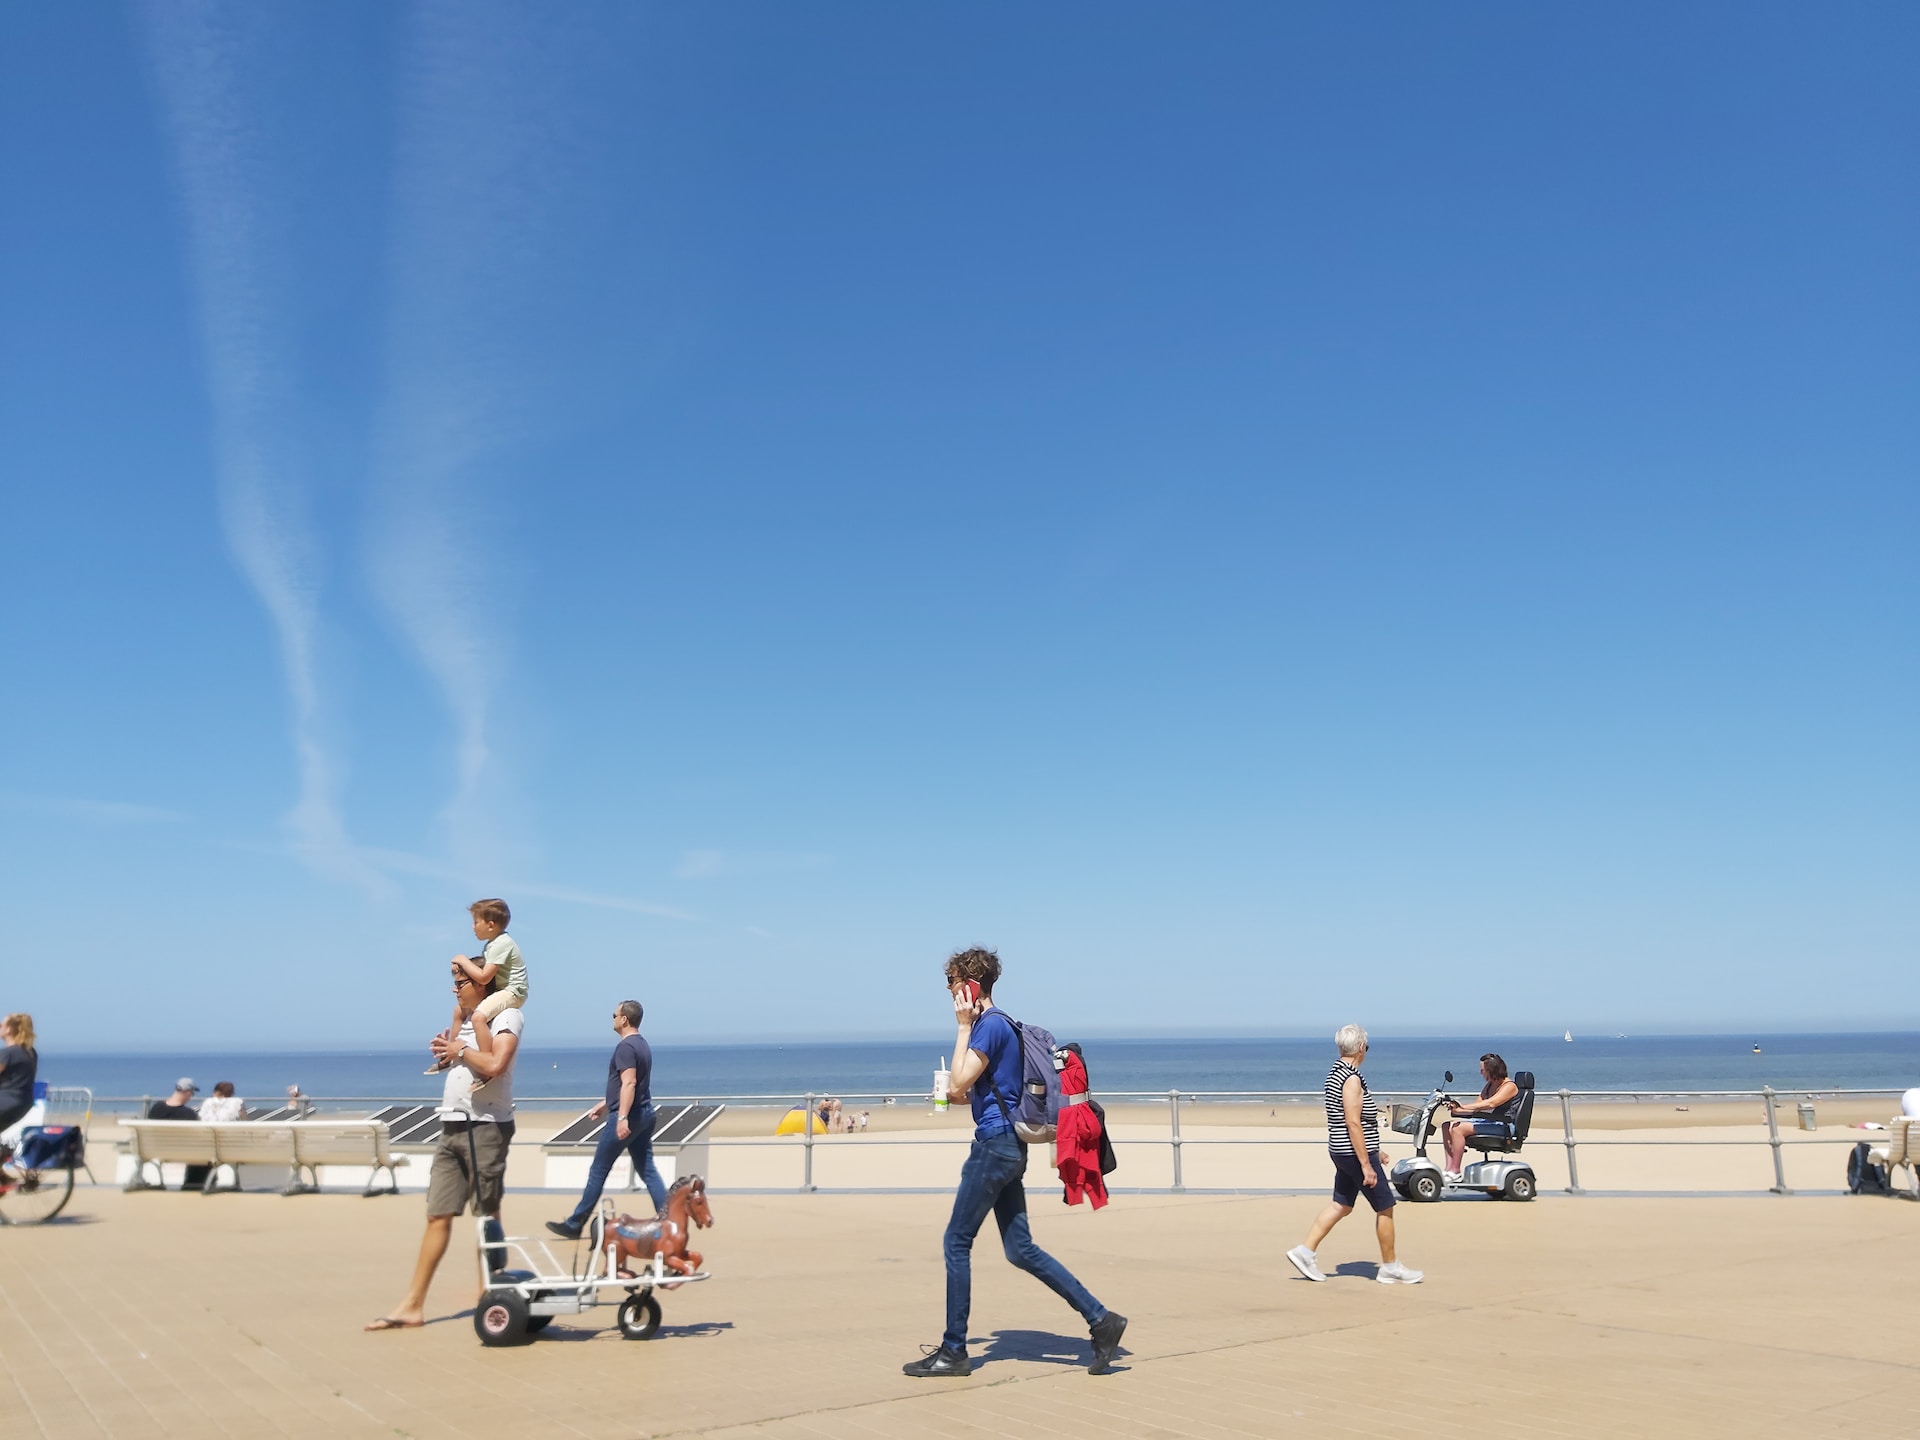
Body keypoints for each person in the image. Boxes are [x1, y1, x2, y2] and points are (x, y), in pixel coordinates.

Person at [902, 946, 1127, 1379]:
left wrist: (962, 1027)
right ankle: (1102, 1320)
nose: (948, 992)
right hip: (1010, 1145)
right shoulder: (1004, 1025)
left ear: (969, 986)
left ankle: (954, 1351)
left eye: (951, 984)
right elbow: (971, 1089)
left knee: (955, 1243)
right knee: (1020, 1249)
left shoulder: (987, 1027)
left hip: (993, 1146)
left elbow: (957, 1083)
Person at [367, 961, 523, 1331]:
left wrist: (459, 1050)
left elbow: (495, 1064)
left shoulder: (507, 1016)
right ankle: (412, 1305)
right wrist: (444, 1052)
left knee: (487, 1215)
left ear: (483, 984)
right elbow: (457, 1060)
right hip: (450, 1125)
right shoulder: (464, 1018)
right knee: (437, 1214)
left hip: (486, 1127)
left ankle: (492, 1296)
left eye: (461, 983)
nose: (455, 989)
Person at [1287, 1025, 1422, 1285]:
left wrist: (1376, 1150)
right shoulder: (1351, 1078)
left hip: (1342, 1150)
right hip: (1353, 1153)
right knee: (1385, 1207)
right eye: (1366, 1048)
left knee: (1342, 1204)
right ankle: (1390, 1267)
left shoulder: (1334, 1073)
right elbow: (1353, 1122)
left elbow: (1348, 1121)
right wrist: (1366, 1164)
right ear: (1361, 1048)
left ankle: (1304, 1252)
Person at [546, 999, 667, 1240]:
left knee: (599, 1169)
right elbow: (631, 1084)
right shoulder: (642, 1045)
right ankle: (669, 1220)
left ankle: (575, 1223)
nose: (612, 1018)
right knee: (647, 1170)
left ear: (624, 1019)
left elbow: (630, 1083)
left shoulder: (625, 1048)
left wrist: (621, 1117)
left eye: (614, 1014)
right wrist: (605, 1104)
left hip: (630, 1116)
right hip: (644, 1113)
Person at [428, 898, 527, 1073]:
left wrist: (462, 959)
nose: (473, 927)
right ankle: (449, 1053)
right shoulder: (492, 945)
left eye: (475, 922)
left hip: (512, 991)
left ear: (490, 925)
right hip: (502, 989)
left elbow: (483, 977)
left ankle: (486, 1058)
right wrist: (462, 968)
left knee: (478, 1017)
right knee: (459, 1010)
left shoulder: (501, 944)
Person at [1441, 1053, 1521, 1180]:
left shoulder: (1509, 1086)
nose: (1480, 1073)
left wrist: (1463, 1107)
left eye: (1482, 1070)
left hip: (1504, 1125)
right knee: (1446, 1125)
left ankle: (1455, 1171)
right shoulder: (1490, 1085)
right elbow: (1477, 1105)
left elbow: (1491, 1103)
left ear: (1491, 1070)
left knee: (1458, 1129)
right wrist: (1456, 1109)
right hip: (1491, 1121)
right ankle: (1449, 1168)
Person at [0, 1014, 38, 1154]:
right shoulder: (30, 1052)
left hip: (5, 1103)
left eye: (1, 1025)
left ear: (9, 1029)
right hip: (23, 1104)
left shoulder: (8, 1054)